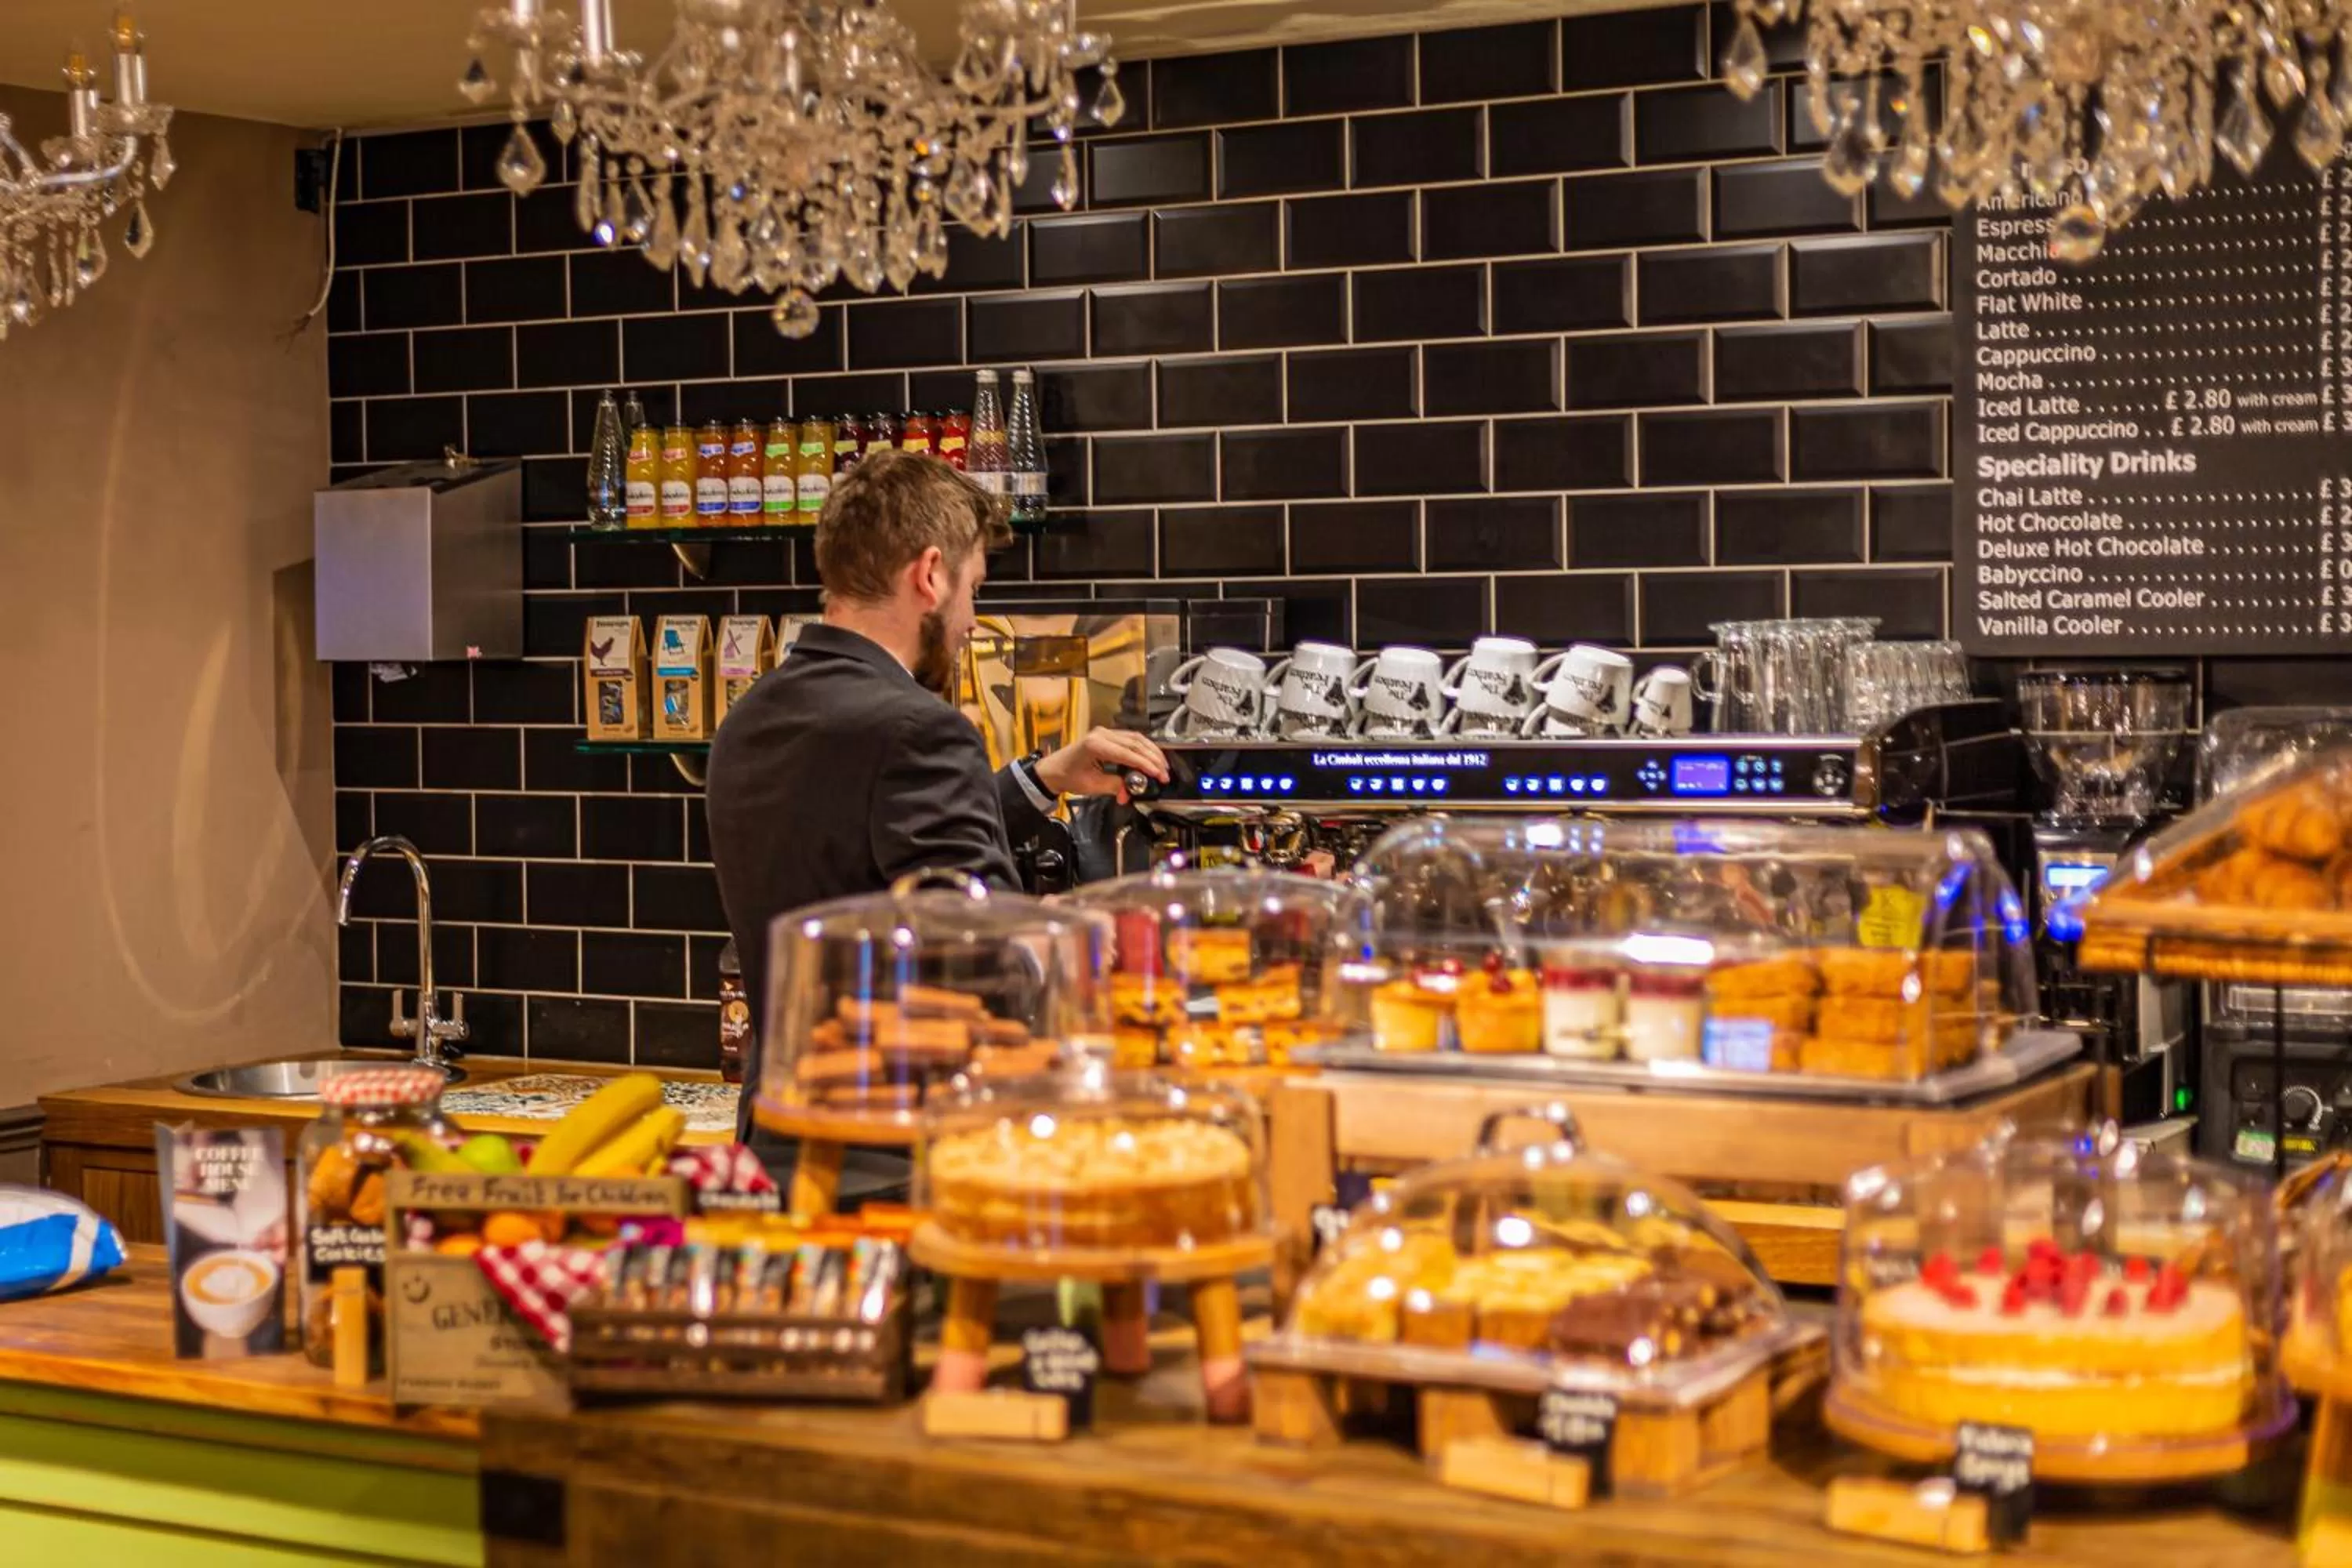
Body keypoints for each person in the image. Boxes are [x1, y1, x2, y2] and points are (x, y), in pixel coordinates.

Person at [704, 448, 1167, 1156]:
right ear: (929, 575)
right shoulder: (919, 727)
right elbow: (983, 974)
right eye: (973, 589)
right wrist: (1061, 934)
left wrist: (1042, 777)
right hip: (893, 1154)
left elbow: (862, 840)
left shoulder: (752, 715)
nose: (973, 621)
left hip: (778, 1133)